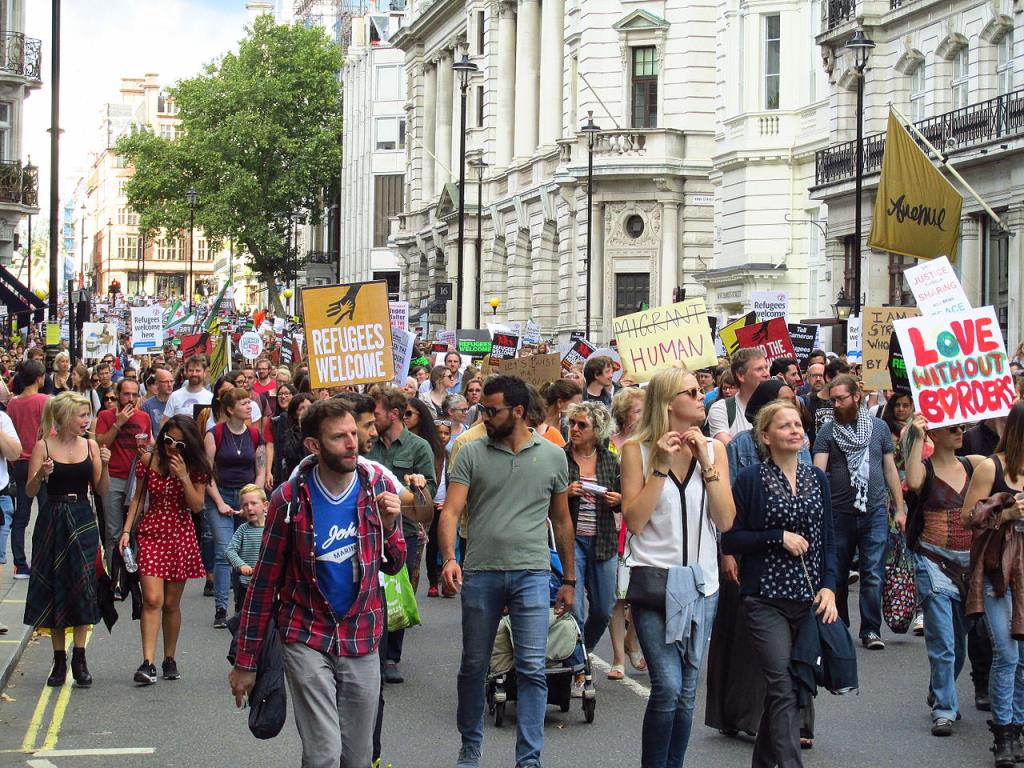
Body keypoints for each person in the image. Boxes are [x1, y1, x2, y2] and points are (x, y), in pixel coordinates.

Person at [229, 398, 406, 768]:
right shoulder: (288, 500)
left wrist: (391, 528)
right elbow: (263, 584)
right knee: (323, 753)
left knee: (357, 758)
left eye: (353, 434)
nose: (352, 443)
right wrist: (246, 661)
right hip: (306, 633)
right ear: (314, 445)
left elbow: (395, 564)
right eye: (339, 437)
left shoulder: (375, 488)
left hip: (361, 635)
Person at [439, 375, 576, 768]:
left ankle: (529, 759)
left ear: (518, 412)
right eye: (482, 408)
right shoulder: (469, 452)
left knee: (533, 668)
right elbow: (450, 511)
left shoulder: (552, 456)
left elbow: (563, 522)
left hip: (533, 573)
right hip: (480, 572)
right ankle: (470, 746)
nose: (484, 416)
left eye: (491, 410)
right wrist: (449, 557)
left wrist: (568, 578)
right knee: (474, 665)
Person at [620, 367, 735, 768]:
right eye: (692, 391)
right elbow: (634, 520)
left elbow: (725, 521)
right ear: (670, 404)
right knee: (667, 686)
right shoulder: (637, 449)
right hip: (654, 580)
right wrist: (661, 468)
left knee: (687, 690)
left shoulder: (715, 449)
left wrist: (708, 464)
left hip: (702, 585)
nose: (701, 395)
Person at [723, 399, 839, 768]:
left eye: (798, 424)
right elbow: (731, 539)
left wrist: (830, 588)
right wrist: (777, 537)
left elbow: (828, 541)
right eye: (785, 425)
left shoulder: (817, 478)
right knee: (783, 685)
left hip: (808, 601)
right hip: (765, 599)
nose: (795, 430)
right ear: (766, 435)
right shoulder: (750, 479)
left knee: (792, 689)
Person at [903, 413, 985, 736]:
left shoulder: (975, 464)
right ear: (935, 432)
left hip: (969, 564)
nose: (960, 431)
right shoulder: (926, 469)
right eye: (952, 427)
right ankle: (944, 709)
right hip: (932, 561)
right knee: (942, 642)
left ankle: (940, 688)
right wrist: (916, 437)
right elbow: (912, 476)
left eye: (962, 426)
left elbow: (1008, 462)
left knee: (959, 642)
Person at [24, 392, 111, 688]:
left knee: (82, 586)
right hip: (53, 520)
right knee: (56, 587)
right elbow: (30, 491)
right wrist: (42, 474)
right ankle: (59, 660)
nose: (86, 420)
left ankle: (80, 658)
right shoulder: (44, 446)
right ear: (64, 418)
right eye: (81, 415)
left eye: (87, 415)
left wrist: (106, 463)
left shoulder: (90, 445)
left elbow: (101, 489)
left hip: (83, 518)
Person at [813, 374, 906, 650]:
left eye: (841, 398)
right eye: (833, 400)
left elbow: (890, 469)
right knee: (838, 572)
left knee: (873, 572)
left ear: (856, 397)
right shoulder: (827, 431)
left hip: (874, 510)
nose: (836, 404)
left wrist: (899, 508)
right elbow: (819, 472)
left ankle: (870, 629)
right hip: (838, 513)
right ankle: (838, 624)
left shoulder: (878, 429)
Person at [119, 415, 210, 685]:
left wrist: (183, 476)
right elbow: (137, 499)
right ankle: (147, 662)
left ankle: (169, 658)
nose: (172, 447)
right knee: (152, 599)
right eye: (168, 440)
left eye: (179, 444)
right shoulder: (148, 461)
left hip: (180, 534)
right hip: (151, 532)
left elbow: (197, 506)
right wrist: (126, 531)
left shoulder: (197, 467)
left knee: (171, 604)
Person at [961, 401, 1024, 766]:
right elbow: (969, 518)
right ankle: (1004, 734)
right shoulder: (991, 467)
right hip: (998, 572)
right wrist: (1005, 513)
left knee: (1023, 657)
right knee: (1006, 652)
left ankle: (1016, 723)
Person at [367, 387, 436, 683]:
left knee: (397, 590)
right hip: (369, 529)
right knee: (373, 590)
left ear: (393, 414)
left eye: (377, 414)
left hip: (404, 531)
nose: (372, 420)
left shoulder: (418, 447)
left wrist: (419, 484)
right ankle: (372, 653)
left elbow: (428, 499)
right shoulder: (366, 444)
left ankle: (392, 655)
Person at [564, 401, 622, 693]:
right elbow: (546, 497)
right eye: (573, 423)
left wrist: (618, 499)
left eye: (582, 425)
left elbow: (627, 494)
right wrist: (565, 493)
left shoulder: (611, 461)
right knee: (574, 607)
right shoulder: (560, 457)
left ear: (597, 430)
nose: (575, 428)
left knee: (604, 606)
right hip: (571, 539)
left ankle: (580, 653)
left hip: (603, 540)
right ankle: (578, 669)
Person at [204, 387, 266, 629]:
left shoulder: (254, 436)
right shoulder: (214, 434)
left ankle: (243, 606)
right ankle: (221, 607)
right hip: (220, 495)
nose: (248, 406)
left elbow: (260, 470)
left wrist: (254, 499)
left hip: (246, 497)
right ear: (230, 409)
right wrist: (219, 502)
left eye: (249, 402)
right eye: (243, 403)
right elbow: (206, 472)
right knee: (223, 551)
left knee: (249, 551)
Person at [606, 386, 646, 679]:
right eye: (637, 410)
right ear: (622, 414)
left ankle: (633, 641)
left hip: (643, 528)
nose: (643, 415)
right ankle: (619, 657)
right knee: (618, 595)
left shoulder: (652, 444)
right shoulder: (609, 444)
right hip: (615, 527)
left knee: (642, 594)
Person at [96, 377, 153, 570]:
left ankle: (133, 573)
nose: (130, 398)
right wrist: (118, 423)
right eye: (126, 394)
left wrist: (145, 451)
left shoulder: (143, 417)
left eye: (134, 394)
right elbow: (100, 443)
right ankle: (115, 576)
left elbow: (149, 444)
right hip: (112, 478)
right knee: (113, 531)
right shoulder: (105, 416)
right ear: (118, 395)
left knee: (136, 529)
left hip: (136, 479)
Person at [8, 361, 49, 579]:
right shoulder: (44, 400)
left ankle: (20, 564)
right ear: (39, 378)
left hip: (21, 463)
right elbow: (49, 431)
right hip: (40, 461)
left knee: (21, 516)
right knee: (44, 514)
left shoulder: (14, 403)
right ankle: (41, 561)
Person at [706, 348, 770, 445]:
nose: (766, 374)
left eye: (766, 367)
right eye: (759, 369)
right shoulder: (721, 409)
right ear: (741, 376)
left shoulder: (777, 405)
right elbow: (731, 450)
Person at [226, 484, 267, 613]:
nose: (249, 508)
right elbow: (230, 550)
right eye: (245, 505)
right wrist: (241, 565)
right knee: (243, 617)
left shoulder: (272, 528)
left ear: (265, 506)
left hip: (268, 584)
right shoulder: (243, 530)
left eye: (254, 503)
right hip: (246, 584)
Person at [271, 392, 313, 489]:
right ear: (294, 414)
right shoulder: (291, 432)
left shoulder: (321, 430)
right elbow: (290, 454)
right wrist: (302, 428)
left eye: (309, 407)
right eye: (302, 408)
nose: (307, 411)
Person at [161, 356, 212, 426]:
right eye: (191, 370)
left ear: (205, 372)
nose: (194, 374)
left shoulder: (211, 398)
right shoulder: (174, 396)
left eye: (198, 371)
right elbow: (164, 423)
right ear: (185, 371)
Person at [539, 379, 581, 446]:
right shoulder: (536, 428)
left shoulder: (572, 427)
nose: (578, 410)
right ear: (559, 403)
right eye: (575, 406)